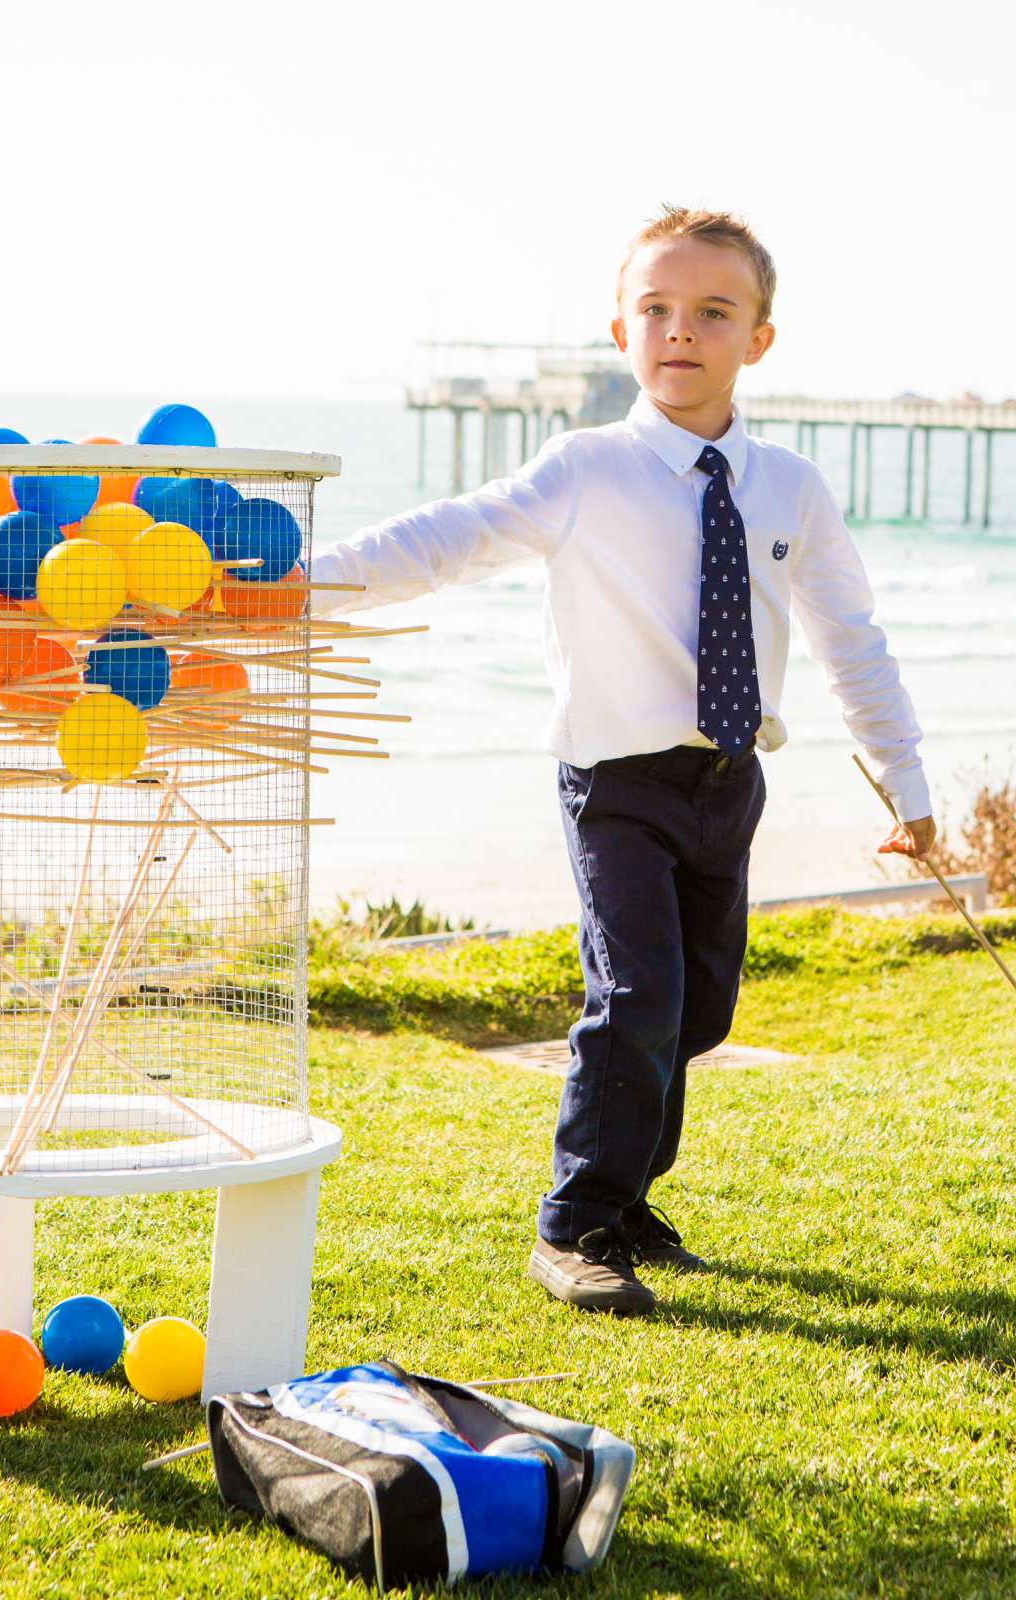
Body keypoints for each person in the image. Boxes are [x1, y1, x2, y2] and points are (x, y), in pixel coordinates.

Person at [311, 206, 935, 1315]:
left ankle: (633, 1200)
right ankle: (574, 1225)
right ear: (620, 333)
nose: (680, 331)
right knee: (636, 992)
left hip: (727, 781)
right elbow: (445, 539)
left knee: (699, 1012)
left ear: (761, 338)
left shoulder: (791, 487)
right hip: (616, 784)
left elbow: (853, 640)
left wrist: (907, 784)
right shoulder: (585, 468)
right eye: (655, 310)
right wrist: (295, 586)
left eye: (712, 311)